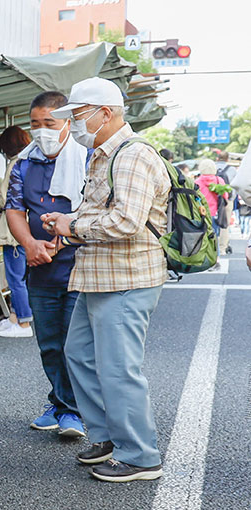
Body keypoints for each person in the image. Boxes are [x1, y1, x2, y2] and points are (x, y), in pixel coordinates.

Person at [41, 77, 170, 483]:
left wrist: (72, 223)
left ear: (106, 113)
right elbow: (104, 213)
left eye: (78, 116)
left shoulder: (132, 155)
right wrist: (70, 225)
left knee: (118, 367)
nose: (74, 125)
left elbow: (126, 221)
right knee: (77, 353)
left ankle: (141, 455)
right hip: (100, 275)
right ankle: (108, 437)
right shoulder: (101, 154)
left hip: (127, 277)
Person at [5, 91, 89, 438]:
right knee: (49, 342)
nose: (41, 131)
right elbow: (14, 209)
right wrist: (29, 244)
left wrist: (66, 238)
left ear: (67, 122)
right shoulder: (24, 163)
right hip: (40, 266)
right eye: (35, 124)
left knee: (74, 342)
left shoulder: (87, 158)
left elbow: (96, 208)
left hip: (80, 266)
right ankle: (59, 402)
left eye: (49, 124)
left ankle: (73, 411)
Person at [0, 126, 33, 339]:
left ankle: (24, 322)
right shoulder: (30, 161)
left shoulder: (14, 164)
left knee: (15, 278)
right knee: (20, 278)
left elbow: (7, 199)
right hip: (26, 227)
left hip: (13, 231)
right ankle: (15, 317)